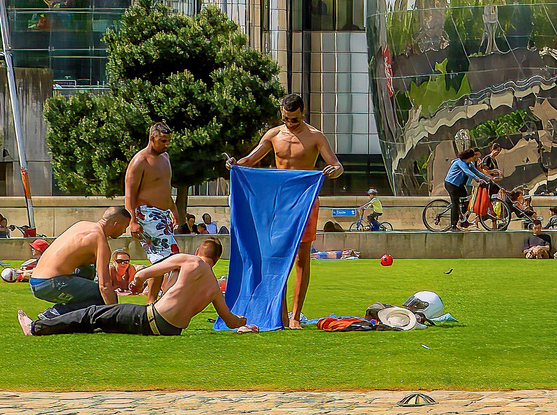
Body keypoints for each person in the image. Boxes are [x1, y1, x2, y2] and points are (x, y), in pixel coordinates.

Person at [229, 93, 345, 328]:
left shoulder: (315, 136)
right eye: (286, 118)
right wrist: (234, 164)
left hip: (304, 201)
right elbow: (250, 160)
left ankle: (295, 315)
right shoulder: (273, 134)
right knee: (276, 257)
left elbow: (337, 165)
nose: (290, 123)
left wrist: (334, 171)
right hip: (278, 202)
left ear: (303, 112)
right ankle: (278, 314)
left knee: (302, 257)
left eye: (294, 119)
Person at [19, 238, 249, 337]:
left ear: (199, 251)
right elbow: (230, 321)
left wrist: (137, 281)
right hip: (171, 330)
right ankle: (53, 327)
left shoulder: (190, 261)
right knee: (103, 323)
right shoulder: (213, 289)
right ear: (216, 260)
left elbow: (147, 272)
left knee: (93, 313)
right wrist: (245, 323)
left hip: (152, 317)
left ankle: (37, 328)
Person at [29, 206, 132, 316]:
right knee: (102, 297)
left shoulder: (81, 225)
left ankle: (62, 311)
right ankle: (56, 314)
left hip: (35, 281)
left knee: (89, 270)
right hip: (52, 283)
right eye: (124, 227)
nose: (124, 231)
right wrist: (115, 314)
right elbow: (104, 286)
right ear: (116, 224)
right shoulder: (100, 241)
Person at [124, 122, 179, 301]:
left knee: (162, 260)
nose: (166, 144)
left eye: (168, 141)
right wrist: (132, 221)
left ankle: (153, 300)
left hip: (163, 214)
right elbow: (129, 195)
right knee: (168, 260)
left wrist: (174, 210)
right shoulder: (140, 161)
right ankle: (151, 297)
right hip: (147, 214)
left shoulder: (166, 158)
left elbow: (165, 187)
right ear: (152, 138)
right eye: (163, 141)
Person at [440, 148, 494, 231]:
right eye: (473, 157)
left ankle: (463, 221)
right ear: (469, 157)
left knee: (467, 200)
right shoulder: (460, 163)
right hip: (451, 184)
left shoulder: (469, 164)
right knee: (455, 204)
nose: (474, 159)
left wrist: (488, 179)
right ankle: (453, 225)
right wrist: (478, 179)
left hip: (459, 185)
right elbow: (467, 172)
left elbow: (476, 172)